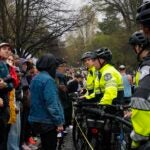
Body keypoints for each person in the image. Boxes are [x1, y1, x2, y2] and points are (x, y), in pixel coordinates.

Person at [28, 53, 64, 150]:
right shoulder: (48, 80)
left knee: (44, 145)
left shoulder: (35, 78)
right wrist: (59, 122)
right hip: (47, 121)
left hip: (36, 119)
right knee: (50, 146)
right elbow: (52, 104)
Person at [128, 31, 150, 149]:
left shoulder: (146, 67)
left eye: (133, 48)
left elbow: (141, 100)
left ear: (139, 46)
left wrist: (137, 139)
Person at [0, 42, 14, 150]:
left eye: (8, 49)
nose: (7, 51)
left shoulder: (4, 65)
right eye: (4, 48)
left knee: (4, 136)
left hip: (5, 104)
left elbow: (11, 84)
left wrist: (5, 84)